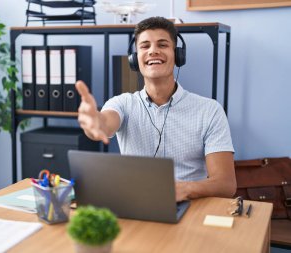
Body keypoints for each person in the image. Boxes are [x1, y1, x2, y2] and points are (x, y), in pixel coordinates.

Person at [75, 16, 236, 202]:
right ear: (135, 59)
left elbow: (226, 184)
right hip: (137, 204)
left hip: (190, 206)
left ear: (178, 55)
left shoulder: (209, 110)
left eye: (162, 45)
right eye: (145, 46)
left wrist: (184, 189)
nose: (153, 51)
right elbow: (104, 124)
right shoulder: (123, 103)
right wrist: (94, 122)